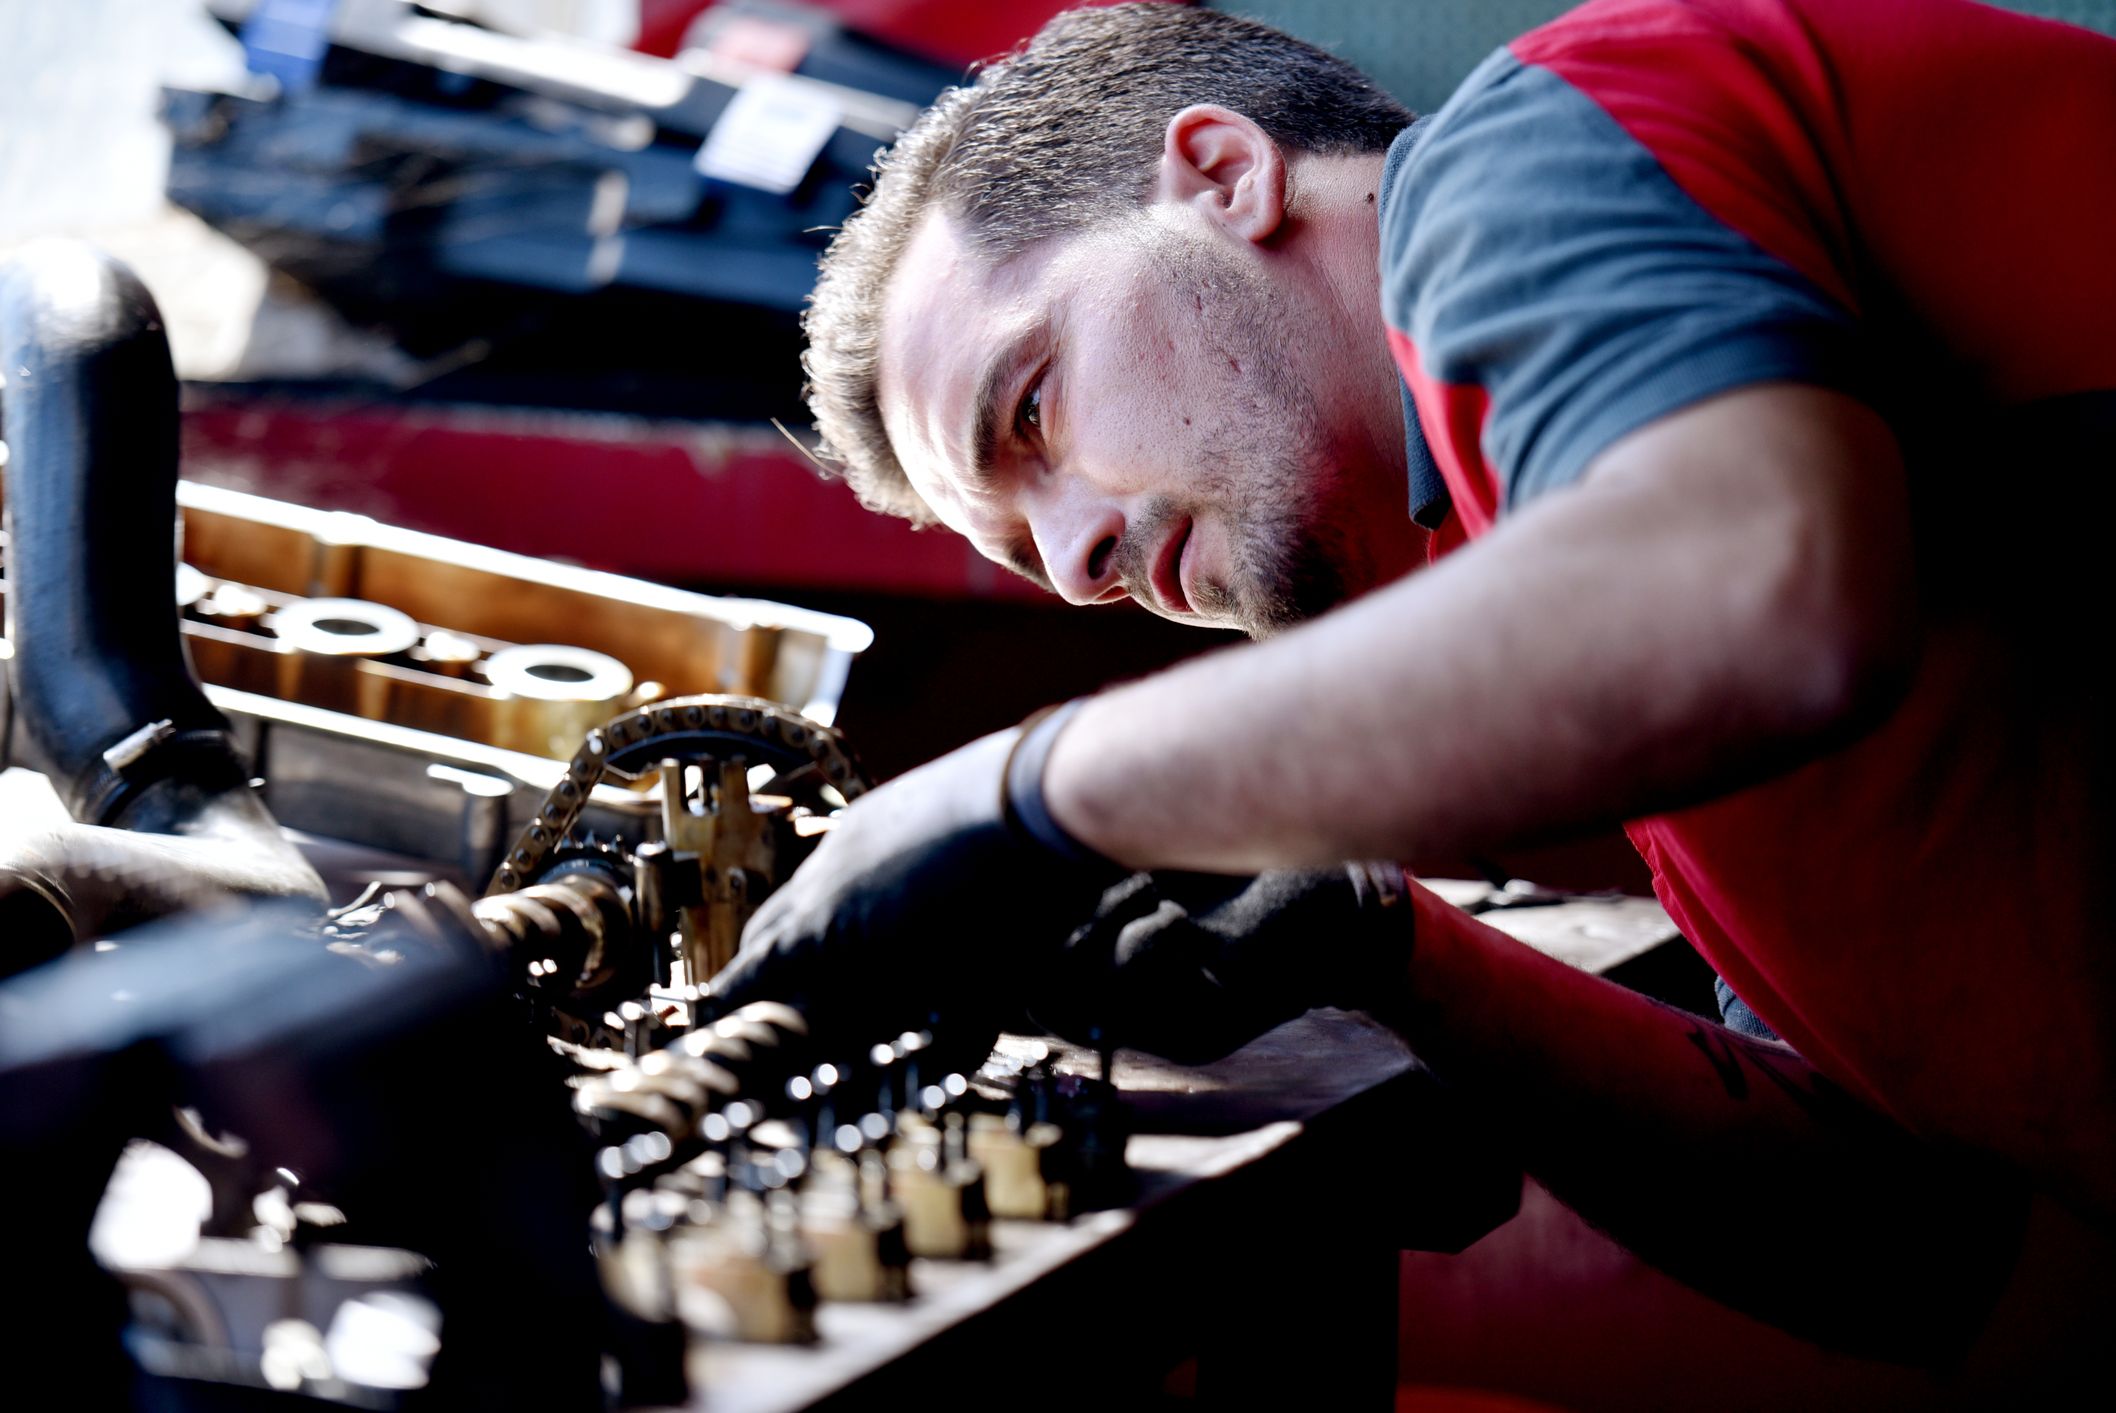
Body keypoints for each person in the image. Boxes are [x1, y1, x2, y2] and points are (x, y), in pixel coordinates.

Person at [715, 0, 2116, 1364]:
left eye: (1033, 407)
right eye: (1024, 549)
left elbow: (1765, 592)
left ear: (1219, 175)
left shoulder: (1537, 148)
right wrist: (1390, 950)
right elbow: (1915, 1251)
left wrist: (1033, 793)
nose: (1079, 560)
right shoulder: (1650, 707)